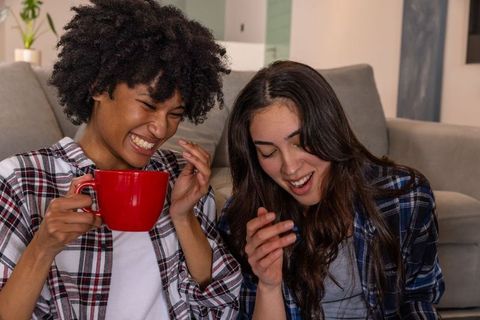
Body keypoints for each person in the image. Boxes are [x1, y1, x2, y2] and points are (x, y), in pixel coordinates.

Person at [0, 1, 242, 319]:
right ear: (99, 87)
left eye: (175, 114)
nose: (160, 129)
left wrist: (184, 218)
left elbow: (221, 304)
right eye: (148, 104)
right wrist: (43, 246)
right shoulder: (22, 179)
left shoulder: (182, 178)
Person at [218, 60, 444, 319]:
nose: (290, 169)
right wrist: (268, 287)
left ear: (328, 129)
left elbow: (418, 299)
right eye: (268, 152)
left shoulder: (406, 198)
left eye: (301, 142)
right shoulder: (246, 216)